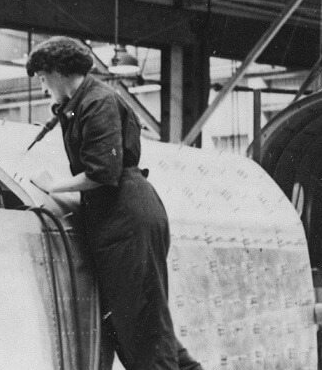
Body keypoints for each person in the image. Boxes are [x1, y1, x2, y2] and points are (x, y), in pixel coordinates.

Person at [26, 37, 203, 370]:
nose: (42, 84)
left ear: (60, 72)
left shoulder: (98, 102)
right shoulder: (79, 103)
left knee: (143, 328)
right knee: (134, 324)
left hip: (127, 217)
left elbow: (103, 172)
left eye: (42, 76)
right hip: (115, 218)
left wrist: (54, 186)